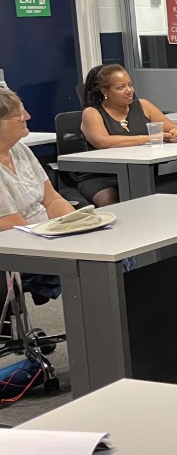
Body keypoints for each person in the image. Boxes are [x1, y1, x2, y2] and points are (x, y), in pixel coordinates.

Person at [75, 63, 177, 207]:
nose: (129, 91)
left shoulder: (143, 105)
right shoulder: (92, 113)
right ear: (105, 91)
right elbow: (103, 142)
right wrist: (147, 139)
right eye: (120, 87)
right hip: (102, 177)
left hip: (138, 174)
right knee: (112, 202)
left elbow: (174, 127)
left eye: (130, 85)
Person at [0, 89, 75, 304]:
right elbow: (11, 225)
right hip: (19, 249)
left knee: (118, 256)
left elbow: (51, 199)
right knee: (98, 266)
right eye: (18, 114)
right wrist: (59, 243)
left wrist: (77, 226)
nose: (27, 117)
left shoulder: (20, 150)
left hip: (46, 237)